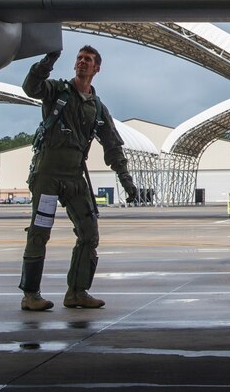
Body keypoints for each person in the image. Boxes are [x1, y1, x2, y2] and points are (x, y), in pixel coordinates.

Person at [18, 46, 138, 312]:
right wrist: (48, 60)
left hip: (75, 176)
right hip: (48, 175)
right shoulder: (56, 91)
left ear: (97, 69)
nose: (83, 62)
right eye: (80, 59)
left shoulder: (98, 108)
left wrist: (126, 180)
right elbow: (30, 87)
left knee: (89, 234)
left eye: (89, 60)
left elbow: (113, 146)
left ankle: (77, 291)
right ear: (75, 65)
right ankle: (30, 294)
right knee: (40, 232)